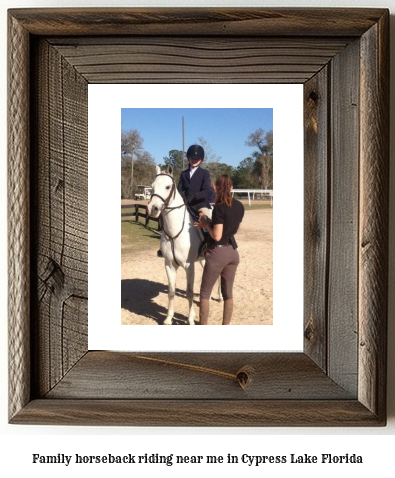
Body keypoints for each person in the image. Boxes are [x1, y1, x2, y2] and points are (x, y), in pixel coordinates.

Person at [195, 174, 245, 325]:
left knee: (204, 294)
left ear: (216, 188)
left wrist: (206, 225)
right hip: (232, 252)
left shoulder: (219, 208)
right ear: (231, 188)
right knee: (228, 293)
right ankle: (225, 327)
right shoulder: (240, 206)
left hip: (218, 252)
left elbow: (216, 236)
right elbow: (236, 228)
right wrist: (213, 223)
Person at [177, 144, 215, 220]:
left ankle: (208, 231)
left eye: (196, 159)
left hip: (200, 205)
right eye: (192, 158)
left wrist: (195, 196)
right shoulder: (184, 174)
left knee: (207, 220)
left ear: (201, 160)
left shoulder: (204, 173)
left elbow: (207, 191)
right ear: (188, 158)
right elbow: (179, 188)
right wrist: (182, 195)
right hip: (186, 204)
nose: (194, 160)